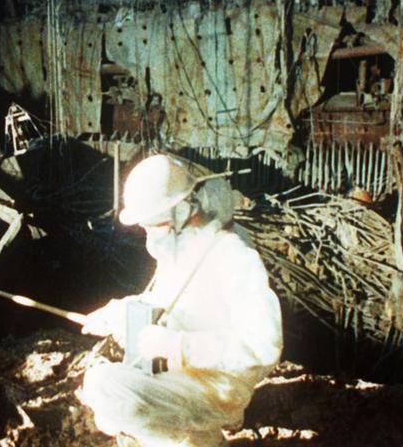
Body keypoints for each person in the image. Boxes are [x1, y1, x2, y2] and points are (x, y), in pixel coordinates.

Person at [78, 154, 283, 446]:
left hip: (217, 384)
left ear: (180, 211)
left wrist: (179, 347)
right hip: (184, 374)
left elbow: (264, 346)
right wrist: (117, 313)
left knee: (108, 388)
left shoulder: (232, 255)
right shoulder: (181, 248)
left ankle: (196, 439)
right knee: (105, 387)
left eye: (153, 224)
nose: (148, 234)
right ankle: (194, 437)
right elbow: (167, 305)